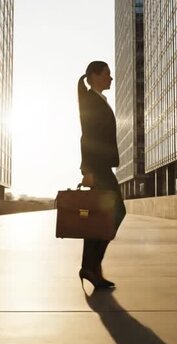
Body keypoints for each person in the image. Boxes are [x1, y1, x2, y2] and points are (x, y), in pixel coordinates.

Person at [77, 61, 127, 289]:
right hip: (98, 168)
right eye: (108, 74)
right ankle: (91, 266)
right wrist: (87, 170)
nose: (111, 78)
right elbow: (86, 136)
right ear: (95, 75)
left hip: (101, 166)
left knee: (101, 218)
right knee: (115, 212)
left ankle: (92, 267)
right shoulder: (90, 100)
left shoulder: (98, 100)